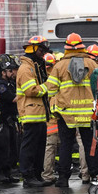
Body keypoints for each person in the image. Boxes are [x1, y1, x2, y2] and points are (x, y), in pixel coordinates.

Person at [46, 33, 98, 187]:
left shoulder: (59, 66)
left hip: (66, 113)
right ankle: (96, 174)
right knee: (89, 144)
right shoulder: (91, 64)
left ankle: (63, 178)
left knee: (66, 145)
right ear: (82, 46)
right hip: (88, 113)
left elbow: (51, 90)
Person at [16, 36, 51, 188]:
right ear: (34, 49)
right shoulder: (26, 69)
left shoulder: (36, 66)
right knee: (29, 147)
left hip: (39, 113)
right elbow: (30, 90)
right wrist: (47, 87)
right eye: (41, 50)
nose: (43, 54)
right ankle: (28, 176)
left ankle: (37, 175)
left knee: (39, 147)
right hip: (30, 114)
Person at [0, 55, 21, 184]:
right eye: (9, 70)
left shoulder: (10, 83)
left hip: (11, 121)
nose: (12, 72)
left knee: (11, 149)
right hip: (2, 121)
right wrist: (25, 93)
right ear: (3, 72)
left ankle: (8, 173)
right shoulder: (0, 84)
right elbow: (12, 98)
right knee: (2, 149)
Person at [40, 53, 60, 184]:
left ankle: (47, 174)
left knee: (49, 148)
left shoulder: (41, 80)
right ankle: (49, 174)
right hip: (57, 119)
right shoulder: (55, 80)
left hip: (47, 120)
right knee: (54, 148)